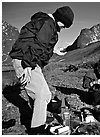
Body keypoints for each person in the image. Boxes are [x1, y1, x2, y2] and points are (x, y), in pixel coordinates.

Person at [9, 6, 74, 134]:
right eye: (64, 25)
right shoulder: (48, 24)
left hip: (29, 61)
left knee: (44, 93)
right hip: (26, 61)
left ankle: (38, 117)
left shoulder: (43, 21)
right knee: (41, 95)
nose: (63, 29)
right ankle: (37, 130)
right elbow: (39, 44)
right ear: (61, 20)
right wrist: (27, 65)